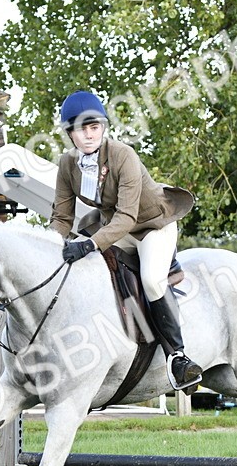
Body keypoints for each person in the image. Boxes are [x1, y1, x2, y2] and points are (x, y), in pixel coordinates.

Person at [51, 90, 203, 392]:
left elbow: (127, 217)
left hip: (151, 226)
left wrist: (91, 243)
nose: (89, 135)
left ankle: (178, 357)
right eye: (81, 129)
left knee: (150, 280)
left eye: (94, 127)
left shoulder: (123, 155)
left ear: (103, 128)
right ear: (70, 134)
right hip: (115, 229)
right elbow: (61, 219)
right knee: (90, 270)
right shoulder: (67, 165)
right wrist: (53, 248)